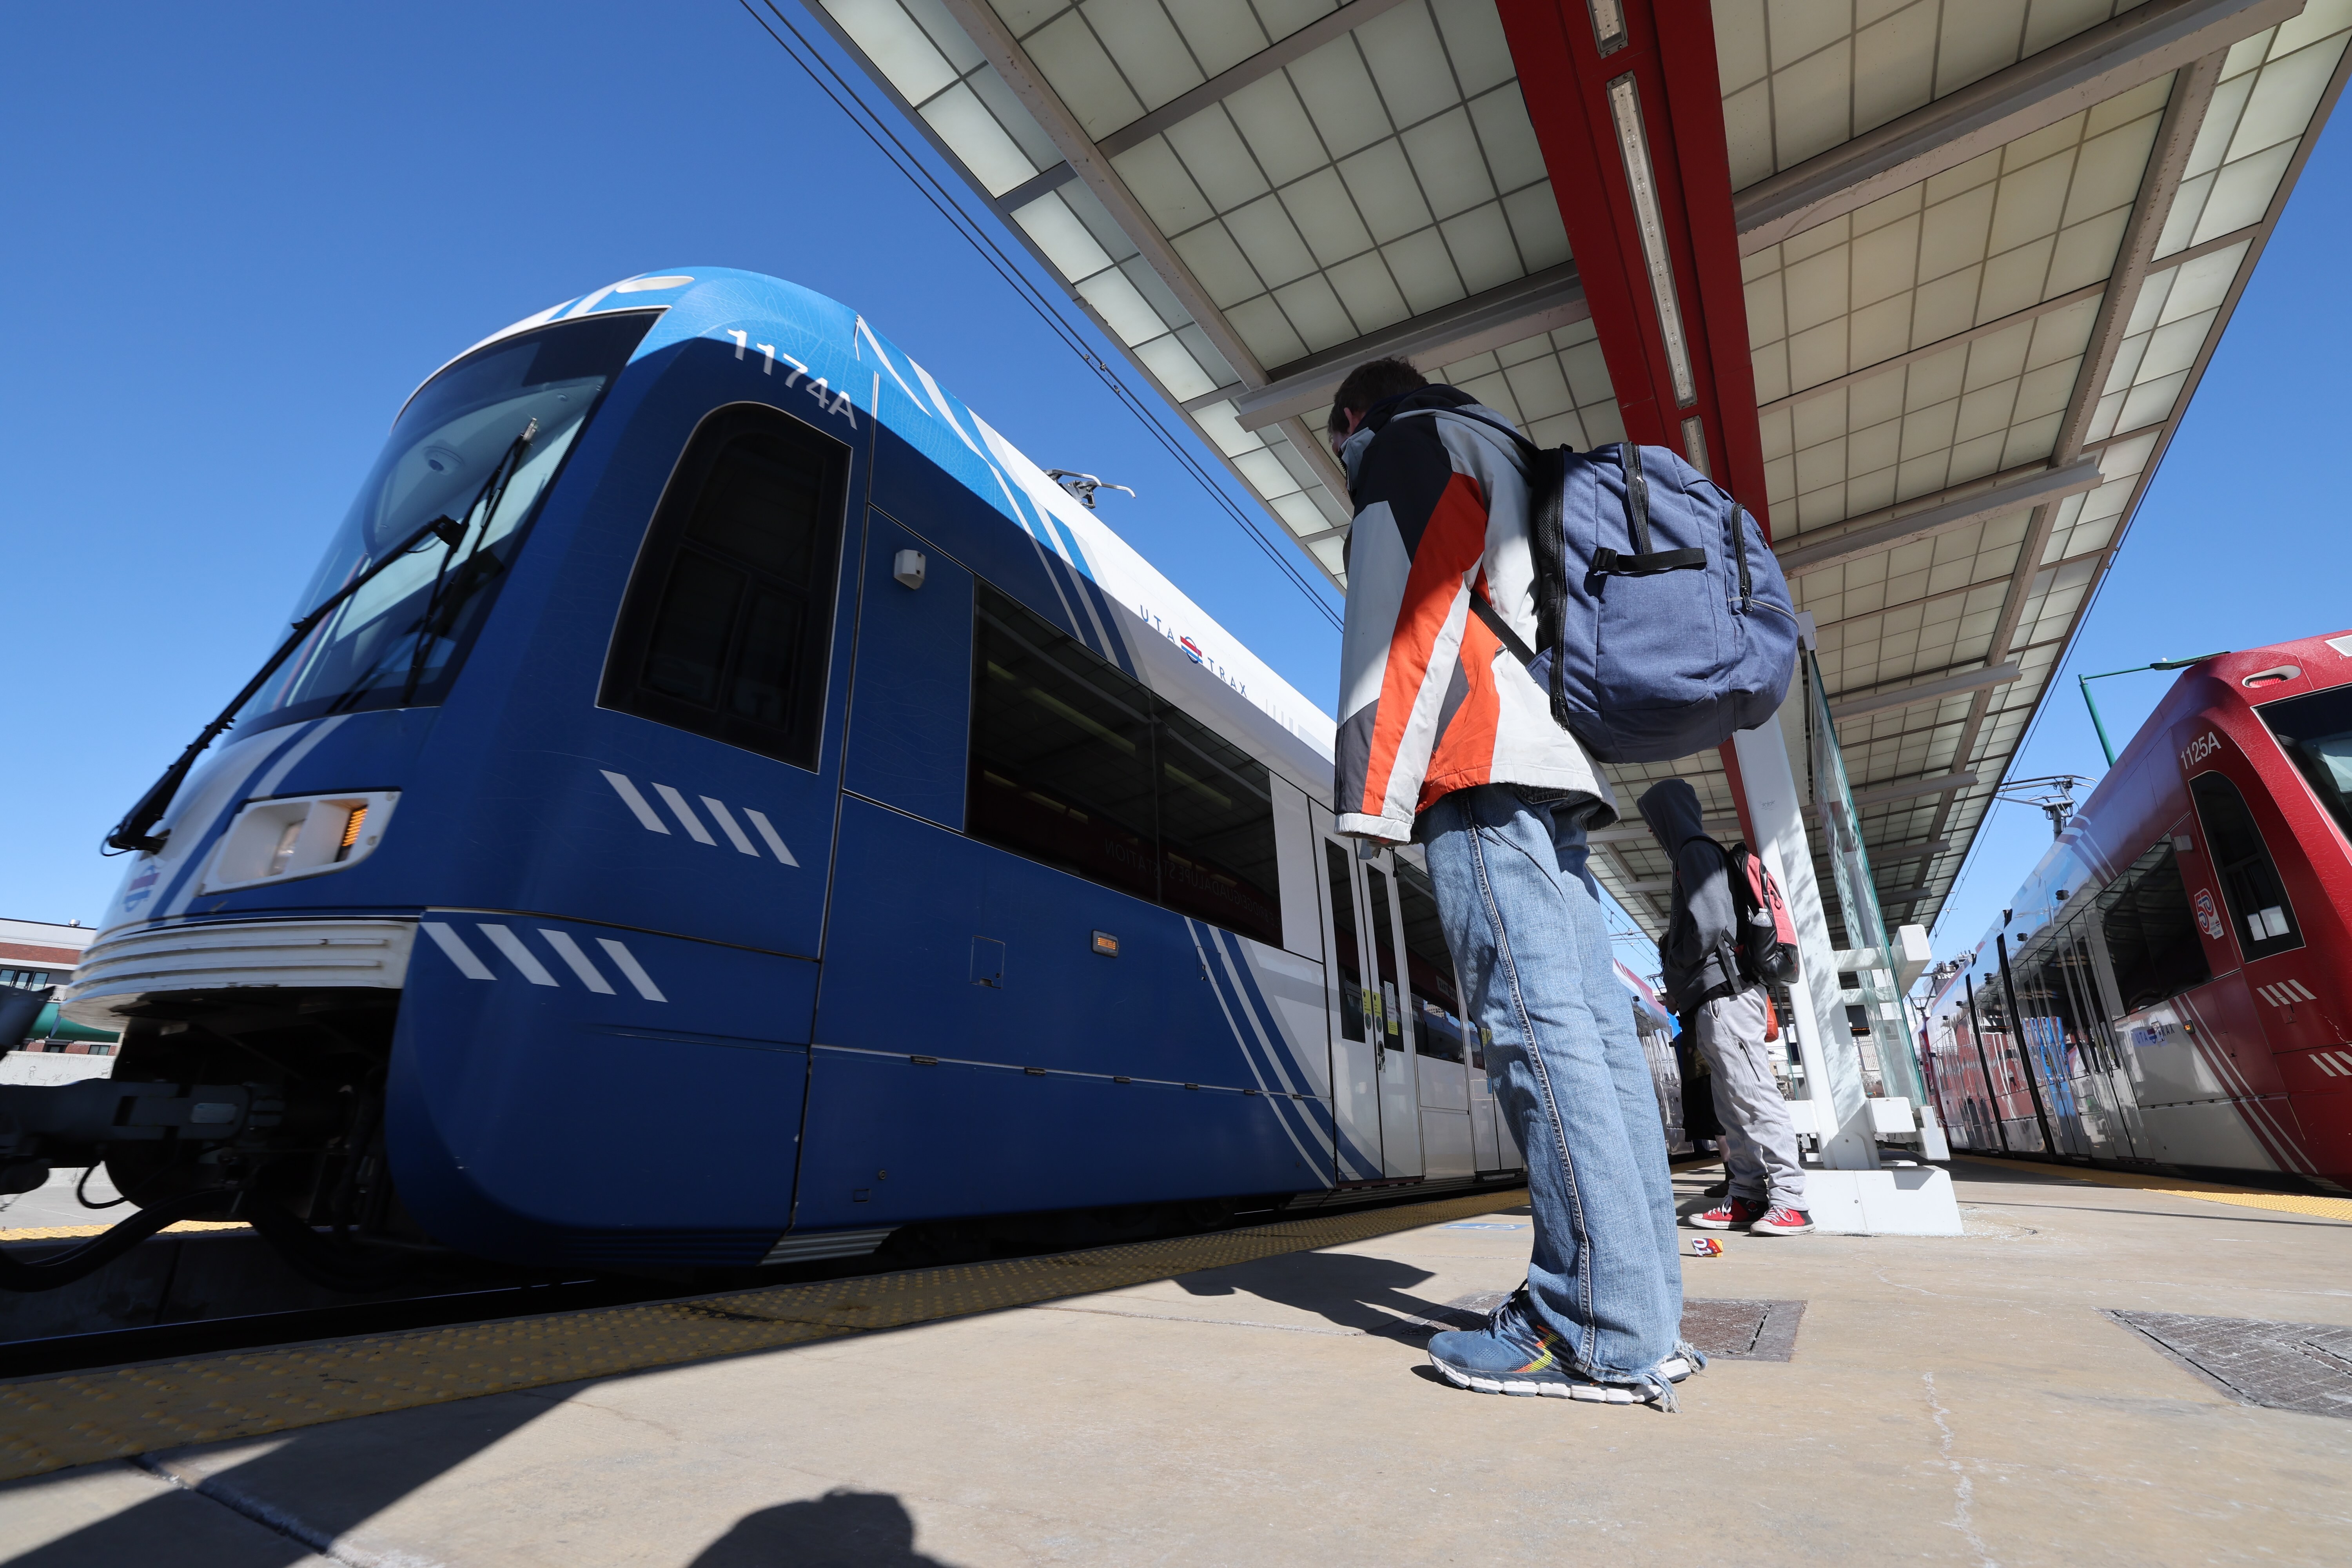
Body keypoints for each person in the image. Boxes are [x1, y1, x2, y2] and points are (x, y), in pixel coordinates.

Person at [1327, 357, 1698, 1407]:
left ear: (1356, 415)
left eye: (1337, 439)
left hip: (1480, 761)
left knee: (1538, 1033)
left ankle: (1591, 1325)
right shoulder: (1513, 452)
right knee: (1594, 1043)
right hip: (1552, 766)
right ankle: (1642, 1313)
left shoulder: (1411, 444)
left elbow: (1412, 615)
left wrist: (1372, 792)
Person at [1635, 778, 1814, 1235]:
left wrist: (1674, 964)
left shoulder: (1694, 852)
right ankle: (1749, 1197)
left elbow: (1709, 926)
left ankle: (1792, 1202)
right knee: (1733, 1103)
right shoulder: (1691, 855)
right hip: (1714, 1001)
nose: (1654, 834)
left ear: (1669, 817)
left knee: (1753, 1097)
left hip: (1728, 998)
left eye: (1655, 823)